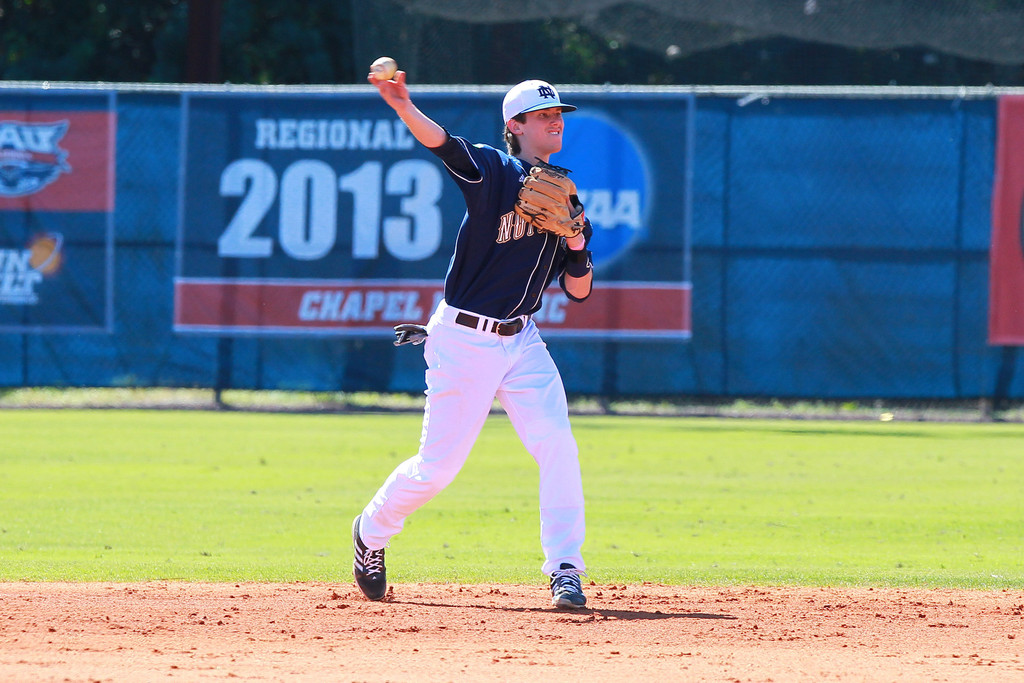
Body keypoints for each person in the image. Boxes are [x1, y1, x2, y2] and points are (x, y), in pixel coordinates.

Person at [352, 71, 594, 609]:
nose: (556, 121)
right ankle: (371, 530)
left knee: (557, 444)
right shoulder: (493, 170)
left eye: (560, 115)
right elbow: (442, 144)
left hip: (523, 341)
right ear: (517, 126)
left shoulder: (566, 193)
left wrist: (576, 239)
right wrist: (403, 105)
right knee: (437, 469)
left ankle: (566, 569)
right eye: (545, 115)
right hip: (464, 340)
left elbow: (578, 290)